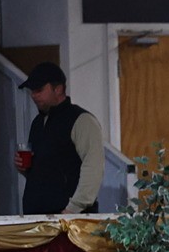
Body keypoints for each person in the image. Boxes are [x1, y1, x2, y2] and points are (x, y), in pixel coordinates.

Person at [16, 62, 104, 214]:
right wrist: (25, 169)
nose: (33, 95)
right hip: (38, 217)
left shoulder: (81, 120)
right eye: (32, 91)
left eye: (39, 90)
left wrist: (73, 209)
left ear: (58, 89)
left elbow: (93, 167)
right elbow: (47, 170)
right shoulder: (38, 123)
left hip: (69, 220)